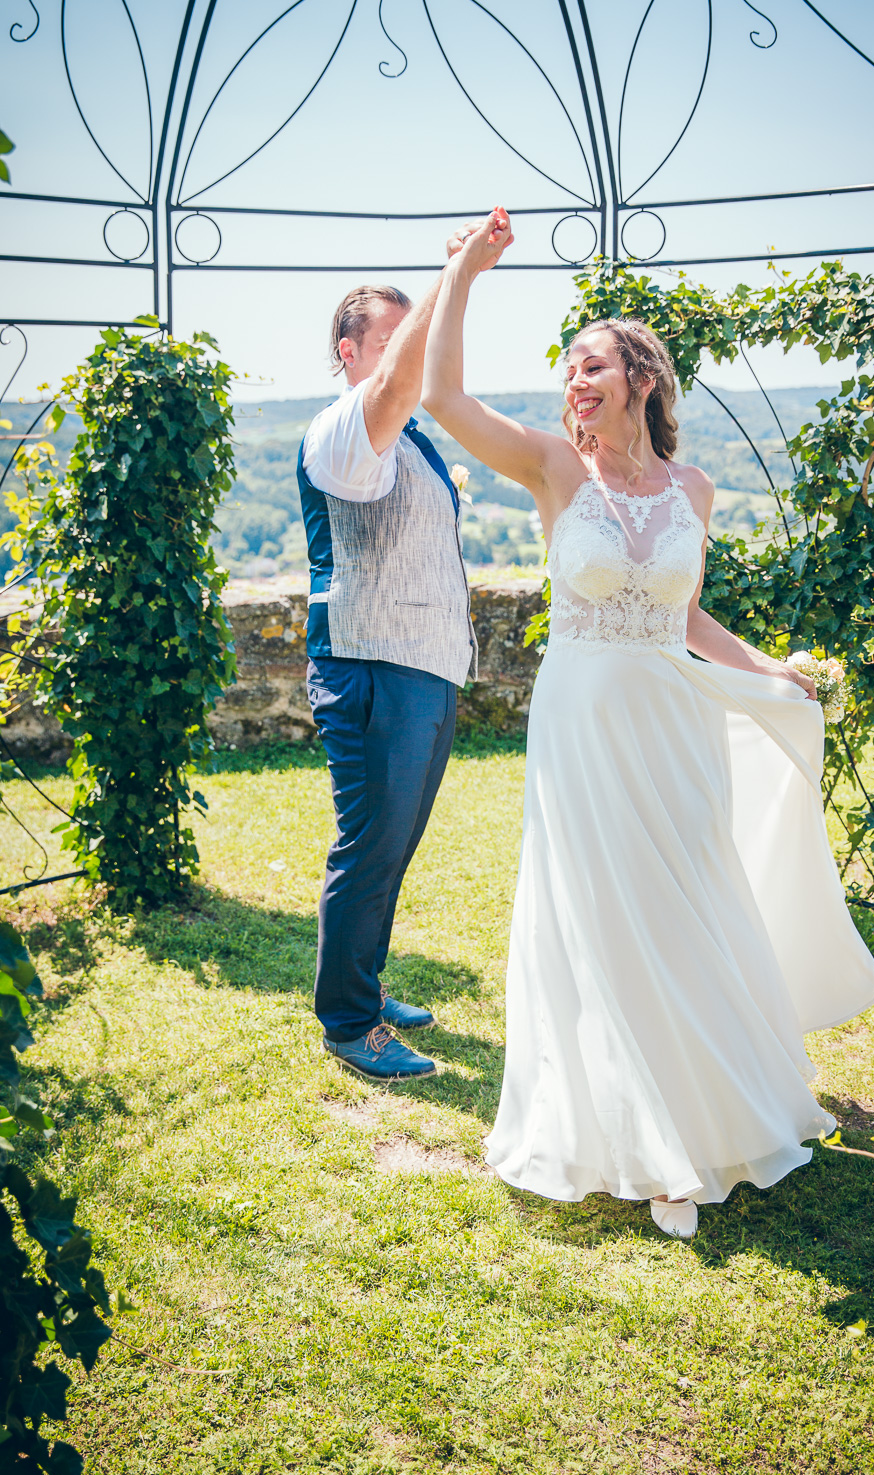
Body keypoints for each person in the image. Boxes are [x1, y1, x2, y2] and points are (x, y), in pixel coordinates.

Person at [421, 208, 874, 1237]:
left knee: (684, 897)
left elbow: (682, 615)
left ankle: (705, 1109)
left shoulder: (693, 488)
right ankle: (642, 1145)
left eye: (594, 366)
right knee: (599, 910)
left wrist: (768, 668)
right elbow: (442, 396)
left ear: (642, 376)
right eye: (569, 372)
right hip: (582, 720)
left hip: (669, 715)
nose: (575, 384)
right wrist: (464, 270)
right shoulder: (552, 468)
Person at [298, 216, 510, 1083]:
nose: (405, 358)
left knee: (396, 842)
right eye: (388, 341)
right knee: (370, 845)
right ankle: (350, 1024)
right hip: (373, 666)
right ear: (350, 353)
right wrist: (455, 270)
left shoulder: (412, 433)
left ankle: (366, 984)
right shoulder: (343, 428)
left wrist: (464, 279)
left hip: (423, 665)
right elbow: (396, 386)